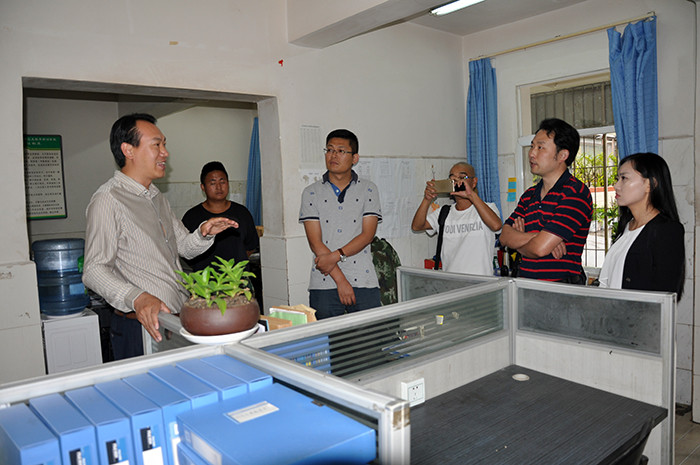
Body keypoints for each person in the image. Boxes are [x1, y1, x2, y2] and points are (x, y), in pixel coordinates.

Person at [83, 113, 238, 359]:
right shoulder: (108, 199)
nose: (165, 153)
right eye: (157, 145)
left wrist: (203, 233)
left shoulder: (157, 197)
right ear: (128, 150)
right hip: (139, 325)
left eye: (164, 144)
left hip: (173, 321)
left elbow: (184, 247)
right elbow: (94, 270)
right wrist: (137, 298)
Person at [299, 129, 382, 319]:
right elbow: (315, 243)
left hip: (364, 279)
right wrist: (341, 280)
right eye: (329, 150)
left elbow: (367, 235)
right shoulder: (311, 192)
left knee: (370, 335)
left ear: (354, 158)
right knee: (328, 337)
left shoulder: (369, 189)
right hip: (324, 281)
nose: (333, 155)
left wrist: (335, 256)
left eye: (341, 151)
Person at [499, 118, 593, 283]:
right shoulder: (529, 195)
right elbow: (504, 236)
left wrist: (520, 240)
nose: (532, 153)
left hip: (560, 288)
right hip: (526, 285)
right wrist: (538, 237)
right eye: (532, 146)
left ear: (562, 155)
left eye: (540, 147)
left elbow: (539, 249)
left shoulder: (575, 192)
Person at [597, 152, 684, 299]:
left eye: (624, 178)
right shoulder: (626, 225)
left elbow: (664, 295)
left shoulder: (667, 230)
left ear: (650, 184)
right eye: (617, 179)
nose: (616, 186)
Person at [411, 162, 502, 275]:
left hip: (481, 282)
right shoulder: (443, 213)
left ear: (474, 182)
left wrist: (471, 195)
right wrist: (427, 200)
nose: (457, 182)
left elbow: (496, 226)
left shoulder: (488, 208)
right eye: (452, 179)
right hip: (452, 281)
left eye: (462, 177)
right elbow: (417, 226)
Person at [182, 161, 259, 271]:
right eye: (212, 183)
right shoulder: (191, 216)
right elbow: (185, 251)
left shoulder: (242, 213)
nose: (218, 187)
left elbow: (250, 246)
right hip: (205, 280)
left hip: (236, 278)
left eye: (222, 182)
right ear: (203, 187)